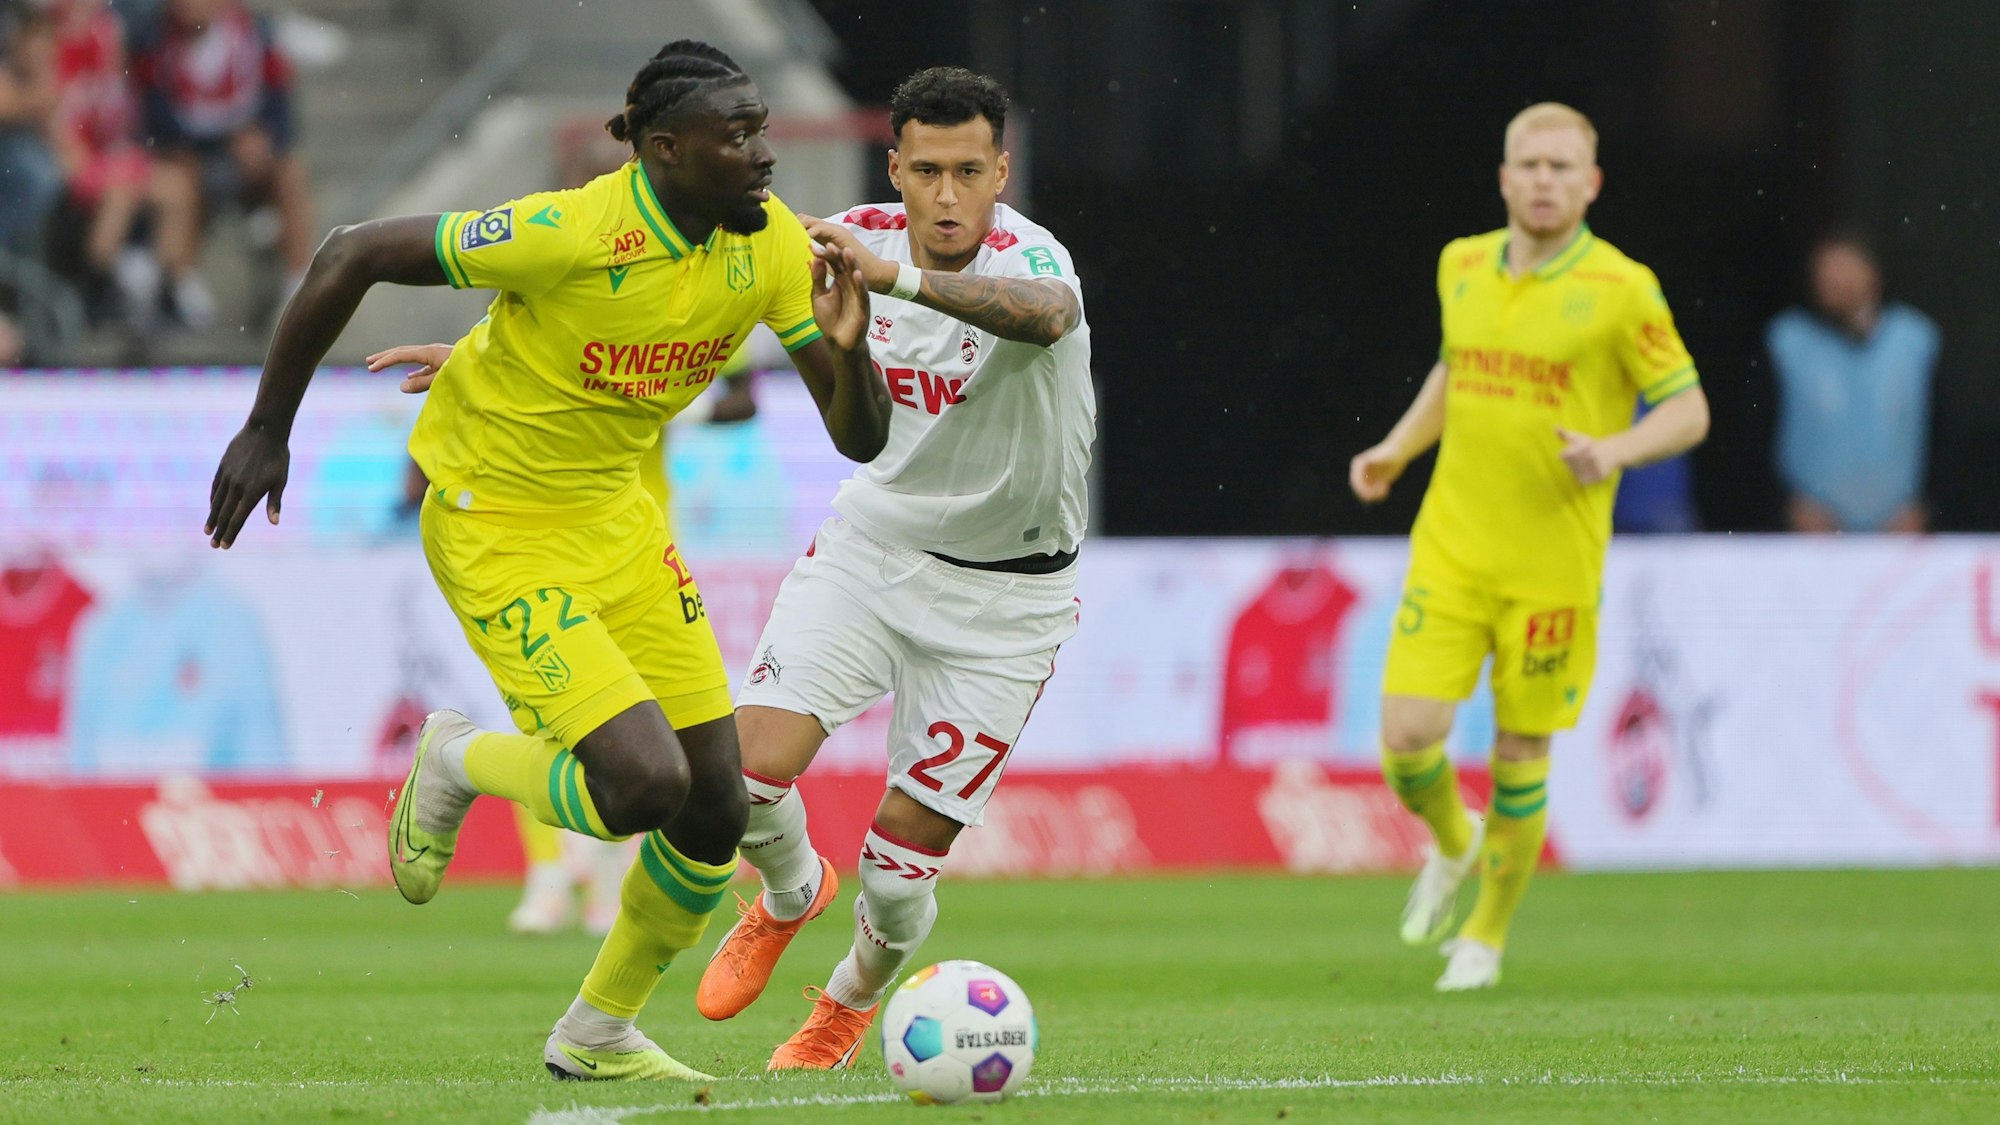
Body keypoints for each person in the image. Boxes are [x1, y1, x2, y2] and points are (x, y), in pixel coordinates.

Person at [204, 40, 889, 1081]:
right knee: (641, 787)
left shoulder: (772, 247)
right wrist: (266, 430)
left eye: (762, 129)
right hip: (496, 521)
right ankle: (455, 758)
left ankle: (597, 1030)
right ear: (664, 150)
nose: (764, 155)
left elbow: (859, 439)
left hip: (617, 520)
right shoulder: (571, 228)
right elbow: (348, 251)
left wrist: (850, 349)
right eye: (737, 136)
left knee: (714, 806)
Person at [698, 66, 1091, 1069]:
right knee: (736, 776)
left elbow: (1042, 315)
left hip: (1005, 600)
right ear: (896, 168)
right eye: (927, 171)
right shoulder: (843, 239)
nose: (948, 194)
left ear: (1001, 170)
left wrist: (898, 281)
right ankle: (789, 893)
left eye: (969, 170)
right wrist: (500, 353)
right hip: (873, 550)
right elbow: (697, 291)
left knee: (898, 872)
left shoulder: (1033, 261)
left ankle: (843, 1005)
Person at [1347, 103, 1709, 991]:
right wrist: (1398, 445)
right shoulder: (1461, 264)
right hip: (1454, 546)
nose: (1544, 180)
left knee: (1519, 752)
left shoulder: (1624, 290)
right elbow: (1455, 369)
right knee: (1406, 740)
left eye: (1561, 167)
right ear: (1504, 177)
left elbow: (1690, 408)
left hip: (1553, 565)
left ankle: (1485, 938)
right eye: (1529, 164)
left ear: (1590, 184)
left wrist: (1615, 450)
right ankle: (1452, 840)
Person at [131, 0, 315, 327]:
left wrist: (264, 138)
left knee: (290, 171)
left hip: (248, 158)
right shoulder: (151, 42)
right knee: (177, 179)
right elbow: (154, 118)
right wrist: (218, 142)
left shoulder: (256, 35)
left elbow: (281, 109)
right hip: (188, 156)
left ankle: (299, 284)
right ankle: (179, 285)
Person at [1766, 233, 1938, 534]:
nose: (1832, 280)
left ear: (1872, 274)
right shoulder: (1787, 342)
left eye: (1843, 268)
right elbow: (1751, 435)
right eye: (1823, 272)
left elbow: (1945, 433)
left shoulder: (1916, 340)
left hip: (1899, 529)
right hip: (1812, 531)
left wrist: (1928, 506)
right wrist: (1784, 505)